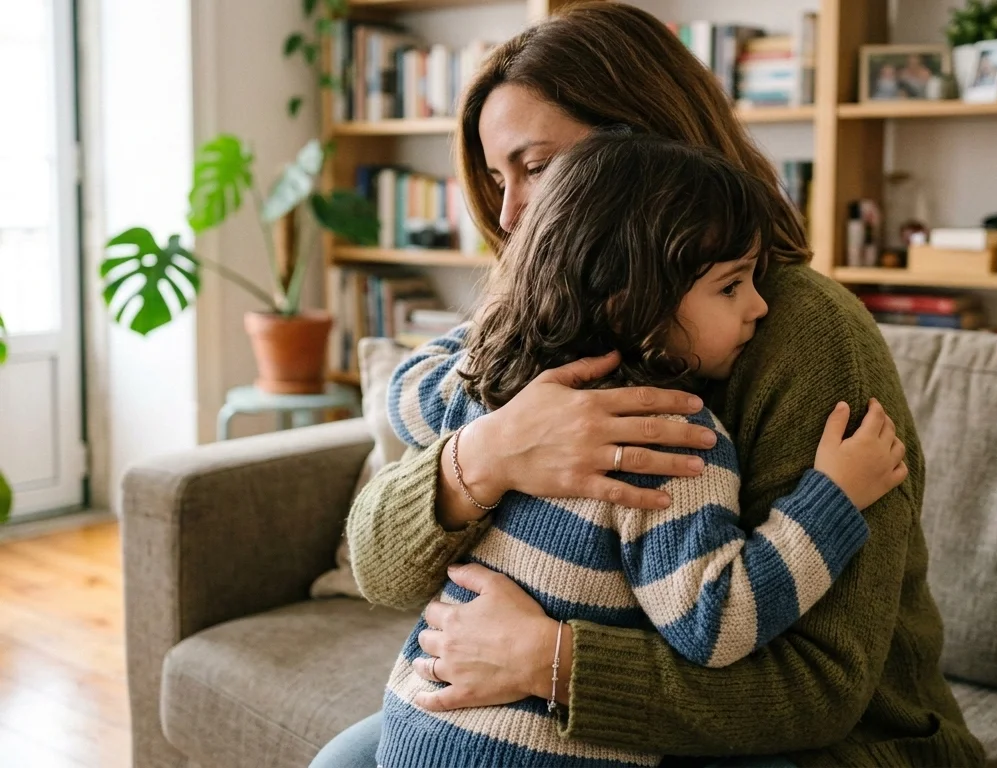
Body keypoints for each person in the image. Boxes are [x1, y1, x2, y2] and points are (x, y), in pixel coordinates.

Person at [313, 3, 985, 767]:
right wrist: (491, 452)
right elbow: (379, 568)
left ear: (647, 147)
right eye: (497, 178)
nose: (509, 214)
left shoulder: (803, 336)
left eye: (536, 168)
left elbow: (818, 691)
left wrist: (550, 661)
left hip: (834, 742)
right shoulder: (549, 315)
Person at [373, 132, 907, 767]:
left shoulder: (495, 382)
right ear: (631, 299)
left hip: (414, 733)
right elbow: (717, 622)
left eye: (541, 169)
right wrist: (832, 500)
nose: (759, 306)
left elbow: (404, 389)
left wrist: (511, 319)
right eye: (731, 287)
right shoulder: (669, 438)